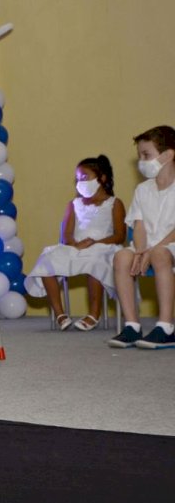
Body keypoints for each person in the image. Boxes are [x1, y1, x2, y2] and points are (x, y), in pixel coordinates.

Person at [25, 155, 126, 331]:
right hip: (77, 247)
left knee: (94, 261)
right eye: (78, 179)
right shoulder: (74, 204)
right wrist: (75, 244)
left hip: (104, 247)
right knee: (48, 258)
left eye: (85, 177)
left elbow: (120, 235)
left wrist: (95, 242)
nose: (80, 182)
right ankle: (60, 314)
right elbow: (67, 234)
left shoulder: (114, 203)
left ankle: (94, 313)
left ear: (101, 178)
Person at [109, 125, 175, 349]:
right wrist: (139, 250)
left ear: (167, 155)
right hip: (147, 246)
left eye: (146, 155)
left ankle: (166, 327)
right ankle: (132, 326)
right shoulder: (143, 190)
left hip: (169, 246)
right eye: (140, 156)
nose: (141, 161)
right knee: (121, 258)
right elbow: (138, 225)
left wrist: (152, 250)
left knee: (160, 254)